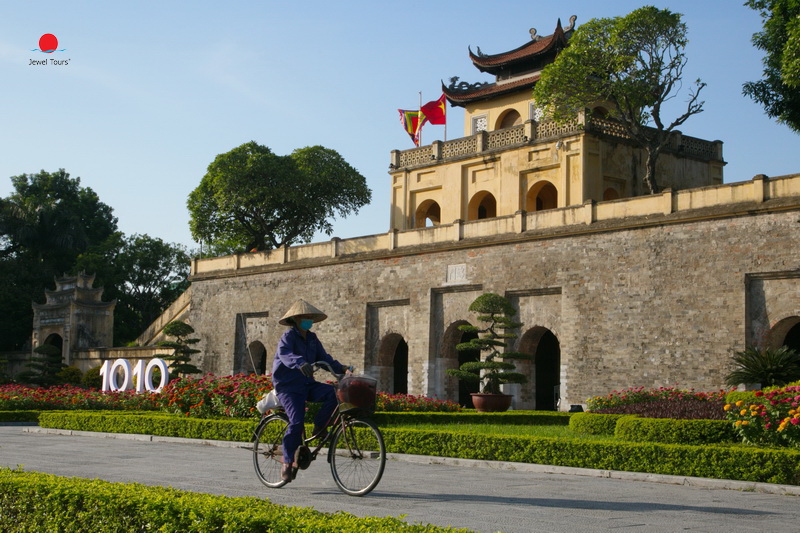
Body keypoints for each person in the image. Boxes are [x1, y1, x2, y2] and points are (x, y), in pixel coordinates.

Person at [271, 299, 349, 482]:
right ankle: (287, 462)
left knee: (332, 393)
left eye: (311, 318)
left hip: (306, 383)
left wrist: (342, 368)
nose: (309, 320)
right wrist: (299, 363)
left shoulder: (312, 339)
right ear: (296, 319)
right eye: (306, 317)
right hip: (288, 386)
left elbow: (325, 358)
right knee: (296, 422)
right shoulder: (288, 337)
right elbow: (285, 354)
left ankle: (320, 427)